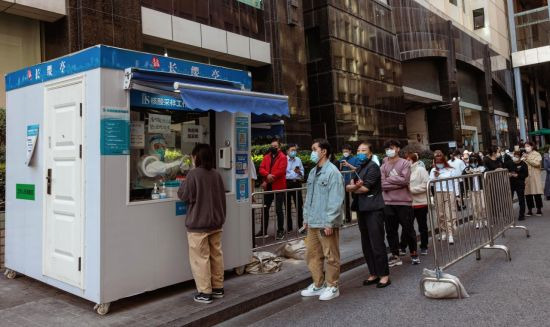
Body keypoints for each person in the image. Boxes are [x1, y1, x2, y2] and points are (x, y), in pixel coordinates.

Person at [178, 144, 227, 304]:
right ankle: (218, 288)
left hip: (198, 224)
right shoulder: (216, 174)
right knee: (216, 255)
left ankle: (205, 293)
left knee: (200, 258)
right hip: (216, 223)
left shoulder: (193, 175)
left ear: (197, 157)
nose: (192, 159)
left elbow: (184, 196)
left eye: (193, 156)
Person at [300, 139, 345, 301]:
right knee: (312, 254)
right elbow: (308, 198)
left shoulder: (333, 172)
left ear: (323, 151)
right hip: (313, 221)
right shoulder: (312, 172)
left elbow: (335, 199)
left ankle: (332, 286)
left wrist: (330, 222)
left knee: (330, 255)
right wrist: (306, 218)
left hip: (326, 222)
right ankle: (318, 284)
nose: (312, 152)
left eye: (314, 149)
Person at [346, 142, 391, 287]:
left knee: (377, 242)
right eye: (358, 150)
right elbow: (349, 186)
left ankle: (384, 275)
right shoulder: (359, 168)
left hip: (374, 209)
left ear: (370, 153)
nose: (360, 152)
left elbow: (364, 189)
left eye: (364, 150)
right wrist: (354, 187)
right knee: (366, 243)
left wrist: (355, 188)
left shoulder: (373, 167)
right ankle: (373, 273)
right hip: (361, 208)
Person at [381, 140, 419, 267]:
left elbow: (405, 180)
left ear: (397, 149)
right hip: (387, 202)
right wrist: (395, 182)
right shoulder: (383, 165)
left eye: (391, 148)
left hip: (404, 202)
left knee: (408, 229)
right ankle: (395, 255)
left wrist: (388, 179)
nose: (389, 151)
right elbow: (381, 184)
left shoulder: (405, 163)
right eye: (387, 149)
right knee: (391, 231)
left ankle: (414, 253)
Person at [258, 138, 288, 240]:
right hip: (268, 187)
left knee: (279, 209)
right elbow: (261, 168)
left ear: (279, 147)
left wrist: (270, 177)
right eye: (272, 146)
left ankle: (280, 231)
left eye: (275, 146)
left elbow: (281, 171)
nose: (273, 147)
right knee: (265, 208)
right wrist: (267, 175)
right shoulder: (266, 157)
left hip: (278, 187)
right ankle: (263, 230)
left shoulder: (283, 157)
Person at [429, 150, 460, 244]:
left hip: (449, 192)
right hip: (438, 192)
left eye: (440, 162)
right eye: (437, 162)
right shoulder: (433, 170)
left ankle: (450, 234)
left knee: (449, 212)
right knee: (440, 213)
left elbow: (455, 181)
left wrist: (457, 194)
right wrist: (435, 176)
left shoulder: (451, 169)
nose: (439, 164)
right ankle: (443, 231)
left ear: (444, 162)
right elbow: (430, 181)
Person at [405, 152, 430, 256]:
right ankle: (407, 247)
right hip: (409, 204)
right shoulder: (405, 171)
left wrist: (411, 190)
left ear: (413, 160)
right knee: (408, 227)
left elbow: (426, 185)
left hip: (421, 203)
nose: (407, 161)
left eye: (408, 159)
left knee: (422, 226)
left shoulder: (421, 170)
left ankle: (424, 246)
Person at [463, 154, 486, 228]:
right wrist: (469, 172)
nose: (473, 163)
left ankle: (485, 219)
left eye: (475, 161)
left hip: (481, 189)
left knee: (483, 205)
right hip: (472, 190)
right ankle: (478, 221)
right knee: (474, 206)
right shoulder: (467, 169)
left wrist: (480, 172)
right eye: (471, 161)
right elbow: (462, 175)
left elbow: (487, 173)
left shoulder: (482, 168)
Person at [285, 144, 304, 232]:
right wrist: (293, 174)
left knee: (299, 205)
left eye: (295, 150)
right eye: (292, 150)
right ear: (287, 151)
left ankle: (301, 226)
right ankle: (289, 228)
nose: (294, 152)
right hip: (287, 184)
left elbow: (302, 172)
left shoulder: (298, 160)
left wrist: (299, 172)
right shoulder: (283, 160)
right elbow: (285, 173)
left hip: (297, 184)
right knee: (287, 205)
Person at [505, 151, 528, 220]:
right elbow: (504, 170)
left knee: (521, 199)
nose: (515, 158)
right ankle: (509, 215)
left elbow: (526, 174)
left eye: (517, 156)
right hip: (510, 183)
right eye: (514, 156)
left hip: (520, 183)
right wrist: (508, 174)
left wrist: (518, 175)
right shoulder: (509, 163)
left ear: (520, 157)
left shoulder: (523, 164)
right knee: (509, 199)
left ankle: (521, 215)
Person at [523, 142, 543, 216]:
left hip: (535, 176)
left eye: (528, 146)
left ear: (532, 146)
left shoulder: (537, 154)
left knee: (537, 193)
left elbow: (537, 163)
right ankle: (530, 210)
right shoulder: (524, 155)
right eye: (525, 146)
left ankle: (539, 209)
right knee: (528, 194)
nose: (526, 148)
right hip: (527, 177)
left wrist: (527, 158)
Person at [339, 144, 358, 223]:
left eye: (346, 151)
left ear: (350, 151)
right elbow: (339, 170)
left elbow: (357, 169)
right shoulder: (341, 159)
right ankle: (347, 218)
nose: (345, 153)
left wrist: (348, 165)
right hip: (344, 182)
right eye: (343, 151)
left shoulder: (355, 159)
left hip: (353, 182)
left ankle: (359, 215)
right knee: (345, 201)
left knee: (355, 199)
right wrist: (340, 166)